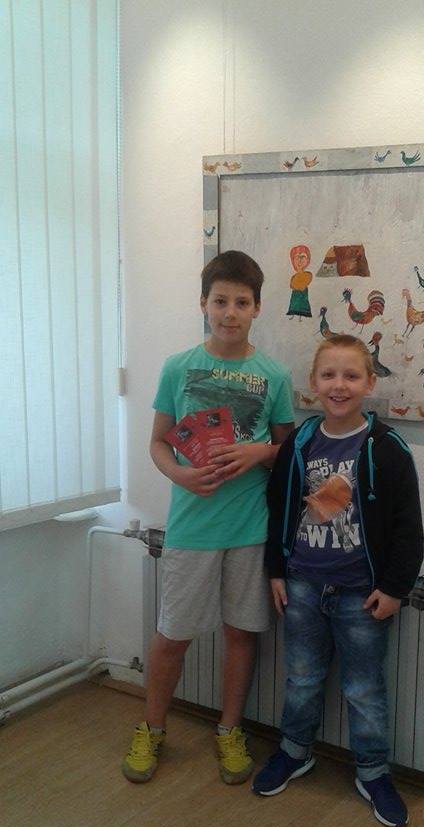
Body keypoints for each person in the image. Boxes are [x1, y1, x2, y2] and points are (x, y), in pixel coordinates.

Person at [122, 250, 295, 785]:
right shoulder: (178, 367)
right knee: (172, 635)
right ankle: (152, 728)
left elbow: (289, 451)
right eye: (220, 301)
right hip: (192, 527)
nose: (230, 312)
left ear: (257, 308)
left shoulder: (274, 375)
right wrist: (181, 475)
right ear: (203, 303)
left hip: (250, 529)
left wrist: (259, 452)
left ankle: (229, 730)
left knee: (241, 633)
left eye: (241, 302)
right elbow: (158, 443)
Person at [253, 334, 424, 827]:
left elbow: (408, 526)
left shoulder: (387, 448)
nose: (339, 385)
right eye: (328, 375)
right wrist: (277, 570)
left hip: (361, 594)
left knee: (364, 688)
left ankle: (372, 771)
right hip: (303, 585)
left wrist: (395, 588)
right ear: (313, 383)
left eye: (351, 375)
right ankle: (294, 751)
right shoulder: (299, 443)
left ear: (369, 383)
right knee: (302, 677)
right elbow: (279, 508)